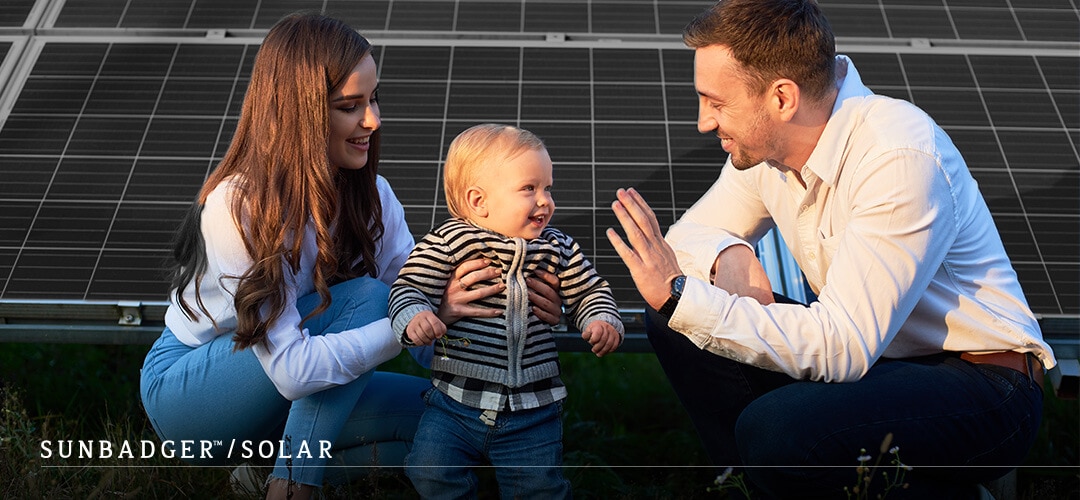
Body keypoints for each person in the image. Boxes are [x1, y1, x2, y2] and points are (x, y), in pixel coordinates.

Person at [605, 0, 1057, 498]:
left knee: (776, 427)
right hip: (880, 361)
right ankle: (756, 485)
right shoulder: (767, 153)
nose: (704, 122)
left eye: (716, 102)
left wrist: (682, 298)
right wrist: (725, 255)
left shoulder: (896, 156)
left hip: (983, 382)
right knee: (678, 322)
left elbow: (843, 347)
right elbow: (686, 241)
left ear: (782, 98)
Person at [138, 15, 564, 500]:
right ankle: (296, 484)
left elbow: (430, 336)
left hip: (293, 403)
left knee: (448, 425)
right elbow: (292, 371)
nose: (373, 120)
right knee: (367, 296)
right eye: (349, 106)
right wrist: (412, 320)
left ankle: (260, 475)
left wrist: (518, 304)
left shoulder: (374, 197)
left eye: (373, 99)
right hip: (197, 397)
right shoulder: (239, 205)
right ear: (300, 112)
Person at [389, 123, 624, 498]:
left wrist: (600, 317)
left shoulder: (557, 247)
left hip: (533, 409)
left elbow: (591, 289)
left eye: (548, 187)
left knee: (537, 488)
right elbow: (410, 286)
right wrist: (415, 315)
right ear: (478, 201)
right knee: (431, 472)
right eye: (529, 188)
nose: (545, 200)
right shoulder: (449, 242)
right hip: (455, 400)